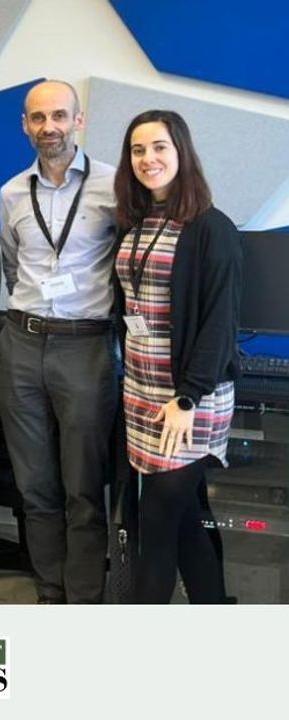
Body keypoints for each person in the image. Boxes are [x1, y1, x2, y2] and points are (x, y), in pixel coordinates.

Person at [0, 80, 118, 604]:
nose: (50, 127)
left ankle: (84, 599)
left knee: (83, 487)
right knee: (34, 485)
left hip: (85, 347)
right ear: (25, 125)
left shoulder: (114, 186)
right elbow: (11, 264)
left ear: (79, 120)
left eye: (60, 116)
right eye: (39, 118)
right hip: (21, 345)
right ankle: (50, 590)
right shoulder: (10, 193)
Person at [112, 110, 239, 604]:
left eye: (159, 147)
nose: (148, 158)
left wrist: (187, 398)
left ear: (182, 151)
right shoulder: (135, 222)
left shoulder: (211, 227)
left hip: (189, 399)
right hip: (141, 392)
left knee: (157, 526)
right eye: (138, 150)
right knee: (183, 523)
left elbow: (220, 324)